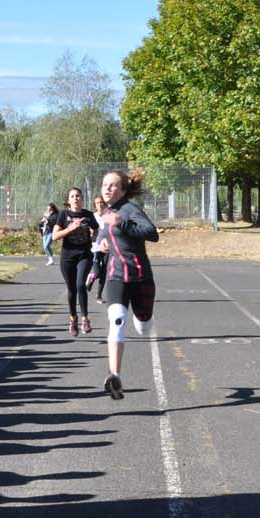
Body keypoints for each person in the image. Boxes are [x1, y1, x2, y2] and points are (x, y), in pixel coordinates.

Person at [95, 169, 159, 401]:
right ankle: (115, 376)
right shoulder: (106, 213)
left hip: (140, 277)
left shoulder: (129, 210)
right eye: (104, 184)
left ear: (122, 190)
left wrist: (123, 224)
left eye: (112, 185)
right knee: (117, 320)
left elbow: (152, 234)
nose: (106, 189)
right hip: (116, 276)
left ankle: (143, 319)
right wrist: (101, 244)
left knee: (143, 327)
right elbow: (103, 236)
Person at [50, 187, 99, 337]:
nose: (76, 198)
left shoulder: (88, 215)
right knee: (71, 289)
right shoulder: (64, 215)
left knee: (80, 285)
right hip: (67, 257)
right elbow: (54, 236)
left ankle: (85, 319)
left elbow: (96, 229)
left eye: (78, 196)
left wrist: (93, 238)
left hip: (84, 254)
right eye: (72, 196)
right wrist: (70, 228)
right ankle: (73, 319)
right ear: (68, 200)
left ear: (82, 199)